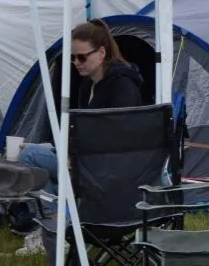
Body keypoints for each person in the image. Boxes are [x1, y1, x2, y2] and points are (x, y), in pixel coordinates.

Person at [12, 19, 145, 233]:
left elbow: (122, 137)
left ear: (101, 53)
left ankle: (55, 224)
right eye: (72, 57)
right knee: (37, 161)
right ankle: (56, 219)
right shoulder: (87, 85)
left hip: (106, 170)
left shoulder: (122, 86)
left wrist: (74, 154)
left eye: (82, 56)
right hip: (86, 162)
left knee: (29, 155)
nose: (76, 62)